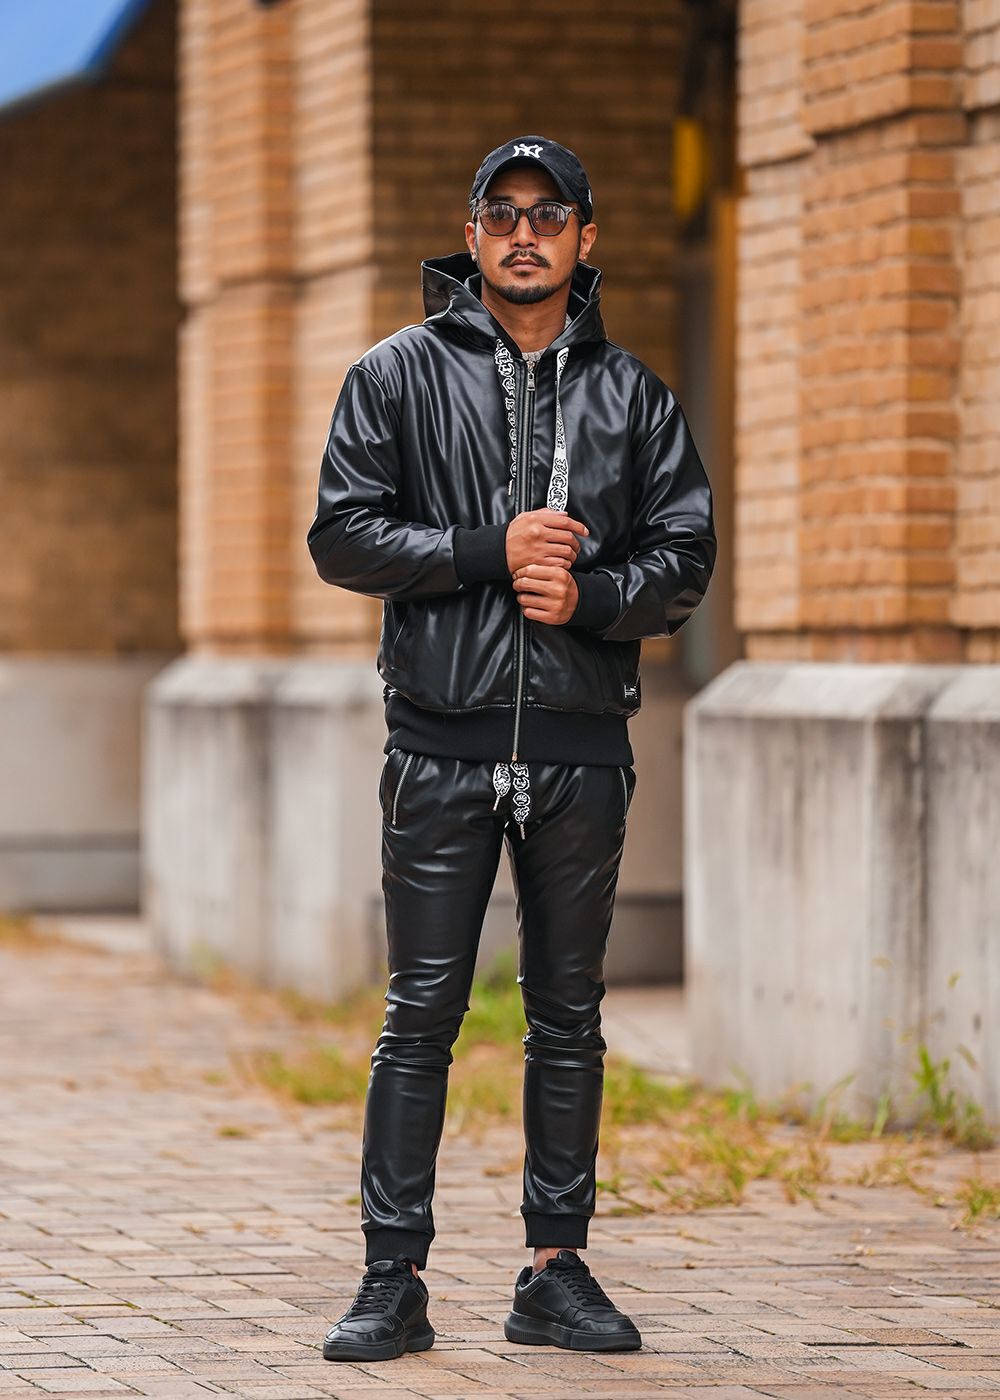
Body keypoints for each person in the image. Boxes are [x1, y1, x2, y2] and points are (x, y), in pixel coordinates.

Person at [308, 134, 716, 1362]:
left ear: (586, 236)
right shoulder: (393, 375)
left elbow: (684, 556)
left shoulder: (635, 396)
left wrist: (592, 597)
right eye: (503, 213)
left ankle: (554, 1269)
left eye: (549, 214)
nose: (524, 233)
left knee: (568, 1015)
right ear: (471, 233)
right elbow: (342, 536)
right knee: (420, 1011)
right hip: (440, 742)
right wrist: (487, 550)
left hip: (583, 749)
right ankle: (391, 1276)